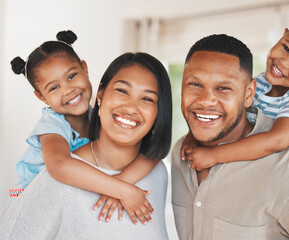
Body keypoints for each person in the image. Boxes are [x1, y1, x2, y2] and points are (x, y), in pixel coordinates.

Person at [171, 34, 289, 239]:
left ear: (249, 94)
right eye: (195, 85)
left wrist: (214, 154)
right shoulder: (180, 153)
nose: (206, 101)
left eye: (223, 88)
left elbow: (278, 140)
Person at [0, 52, 172, 239]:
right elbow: (60, 165)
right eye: (122, 91)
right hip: (20, 192)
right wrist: (124, 190)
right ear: (101, 96)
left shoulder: (158, 172)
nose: (131, 108)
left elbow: (153, 155)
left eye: (147, 98)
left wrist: (123, 181)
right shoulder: (52, 129)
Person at [180, 12, 289, 197]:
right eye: (286, 47)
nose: (284, 62)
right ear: (282, 35)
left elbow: (277, 140)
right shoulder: (259, 84)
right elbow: (228, 114)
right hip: (284, 185)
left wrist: (214, 155)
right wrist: (195, 134)